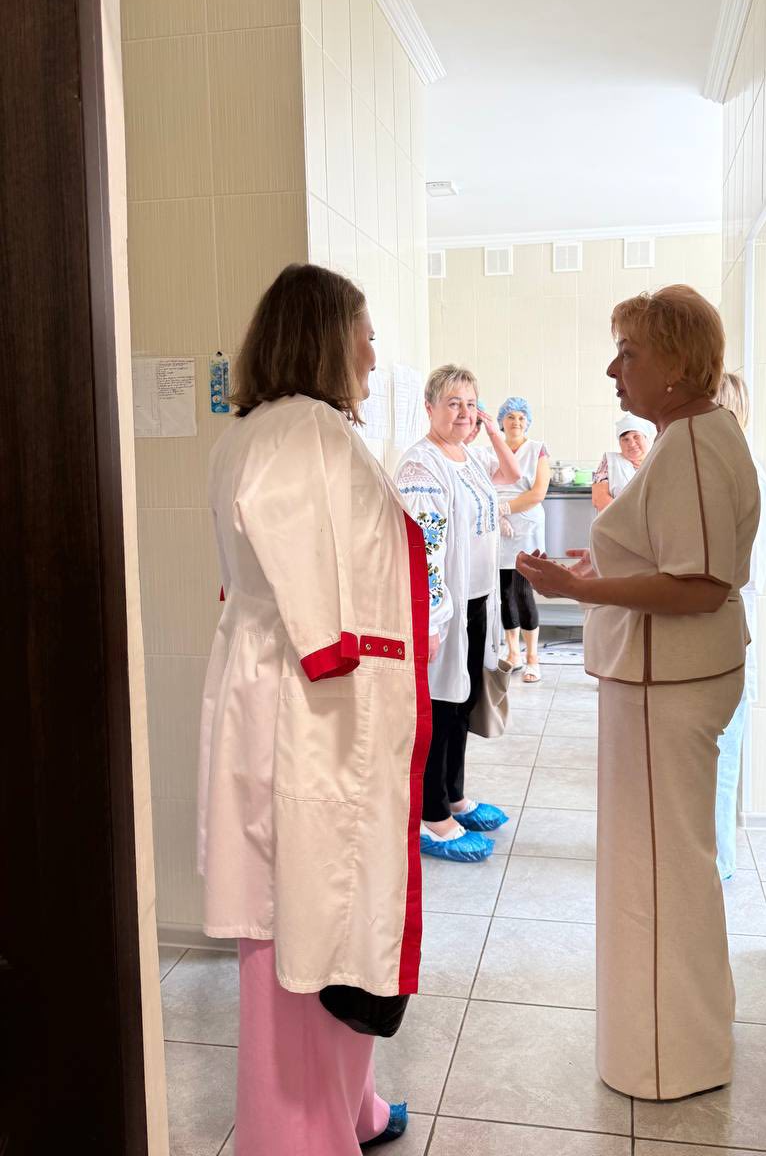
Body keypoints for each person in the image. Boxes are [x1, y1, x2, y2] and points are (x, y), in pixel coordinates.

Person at [196, 265, 425, 1154]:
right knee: (305, 921)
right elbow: (318, 604)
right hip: (315, 713)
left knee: (323, 922)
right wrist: (341, 662)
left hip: (292, 700)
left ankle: (347, 1108)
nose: (371, 353)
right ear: (326, 337)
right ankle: (297, 1138)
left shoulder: (260, 429)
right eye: (362, 333)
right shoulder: (305, 432)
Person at [518, 285, 760, 1102]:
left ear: (677, 365)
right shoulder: (691, 436)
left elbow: (698, 585)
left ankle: (665, 1061)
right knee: (668, 869)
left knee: (659, 877)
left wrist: (581, 592)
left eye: (629, 353)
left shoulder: (690, 444)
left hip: (669, 686)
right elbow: (674, 557)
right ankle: (679, 1043)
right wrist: (603, 568)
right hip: (667, 680)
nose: (613, 369)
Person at [395, 366, 521, 862]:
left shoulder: (467, 457)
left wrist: (488, 428)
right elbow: (424, 549)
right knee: (439, 710)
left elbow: (510, 478)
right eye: (453, 403)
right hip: (442, 609)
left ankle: (454, 795)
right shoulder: (421, 466)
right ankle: (432, 817)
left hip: (475, 601)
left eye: (470, 403)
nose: (464, 413)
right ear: (429, 408)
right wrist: (432, 619)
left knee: (462, 703)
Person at [712, 373, 766, 880]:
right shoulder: (736, 471)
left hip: (727, 632)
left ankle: (718, 864)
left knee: (719, 760)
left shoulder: (742, 477)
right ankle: (715, 861)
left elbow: (740, 570)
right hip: (727, 630)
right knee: (716, 758)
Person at [489, 396, 550, 682]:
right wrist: (496, 514)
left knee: (522, 591)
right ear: (501, 421)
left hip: (526, 525)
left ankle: (532, 658)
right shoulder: (491, 450)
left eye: (521, 418)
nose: (516, 422)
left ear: (528, 422)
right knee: (503, 593)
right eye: (511, 416)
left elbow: (538, 492)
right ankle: (513, 653)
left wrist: (506, 509)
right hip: (497, 527)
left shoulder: (537, 449)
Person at [591, 412, 654, 511]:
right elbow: (599, 499)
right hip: (616, 519)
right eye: (625, 439)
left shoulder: (657, 461)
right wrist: (629, 516)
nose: (632, 444)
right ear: (620, 443)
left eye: (636, 436)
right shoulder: (610, 461)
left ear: (646, 438)